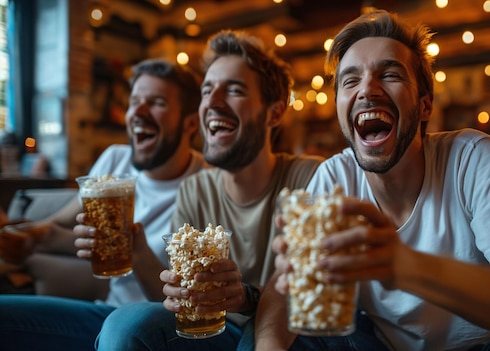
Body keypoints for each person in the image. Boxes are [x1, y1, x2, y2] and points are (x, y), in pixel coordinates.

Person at [260, 9, 490, 351]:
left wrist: (403, 265)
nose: (367, 89)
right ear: (339, 106)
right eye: (350, 80)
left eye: (389, 74)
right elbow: (284, 291)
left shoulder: (470, 157)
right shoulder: (335, 176)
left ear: (425, 105)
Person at [92, 30, 340, 351]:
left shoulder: (310, 177)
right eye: (207, 91)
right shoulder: (195, 190)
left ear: (275, 113)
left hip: (288, 334)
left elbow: (314, 296)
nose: (212, 102)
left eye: (234, 90)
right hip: (216, 332)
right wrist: (136, 249)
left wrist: (245, 297)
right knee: (124, 324)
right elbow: (177, 304)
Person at [0, 58, 208, 350]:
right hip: (104, 313)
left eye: (157, 102)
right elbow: (61, 222)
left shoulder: (208, 186)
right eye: (134, 101)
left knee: (124, 329)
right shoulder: (115, 160)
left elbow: (185, 307)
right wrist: (20, 233)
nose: (138, 112)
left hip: (159, 327)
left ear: (189, 123)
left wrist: (136, 254)